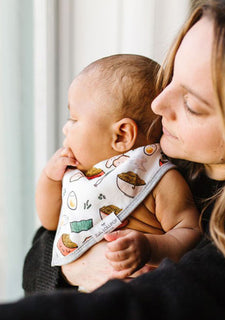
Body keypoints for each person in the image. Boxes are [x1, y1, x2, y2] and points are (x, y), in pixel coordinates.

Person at [1, 0, 225, 320]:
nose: (157, 103)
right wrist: (70, 270)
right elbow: (44, 244)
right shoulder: (162, 155)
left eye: (192, 104)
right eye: (171, 77)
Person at [35, 54, 201, 287]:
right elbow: (49, 222)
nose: (65, 128)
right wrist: (49, 178)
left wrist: (150, 247)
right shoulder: (78, 173)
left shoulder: (159, 177)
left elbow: (190, 231)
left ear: (121, 135)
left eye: (74, 120)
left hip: (136, 299)